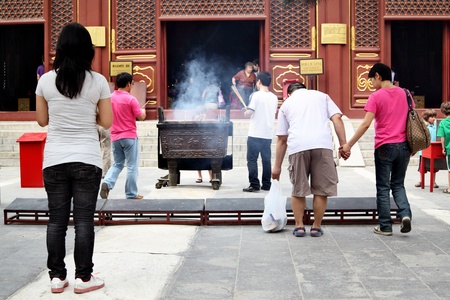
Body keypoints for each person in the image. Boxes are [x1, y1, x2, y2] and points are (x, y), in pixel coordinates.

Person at [35, 22, 113, 294]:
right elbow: (106, 121)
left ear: (60, 48)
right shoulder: (98, 81)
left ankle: (57, 278)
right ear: (88, 49)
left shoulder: (45, 80)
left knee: (56, 220)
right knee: (83, 220)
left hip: (54, 158)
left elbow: (42, 121)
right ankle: (83, 278)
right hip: (86, 159)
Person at [341, 62, 412, 236]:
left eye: (372, 80)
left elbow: (365, 124)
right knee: (398, 184)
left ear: (378, 76)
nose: (372, 84)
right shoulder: (405, 93)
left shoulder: (376, 96)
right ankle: (404, 214)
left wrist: (348, 144)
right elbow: (410, 120)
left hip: (384, 146)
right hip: (403, 146)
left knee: (383, 187)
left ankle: (386, 226)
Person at [272, 82, 347, 237]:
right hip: (322, 145)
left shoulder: (286, 105)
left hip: (298, 146)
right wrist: (343, 144)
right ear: (305, 88)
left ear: (289, 93)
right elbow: (337, 118)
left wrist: (277, 167)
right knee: (321, 190)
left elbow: (282, 139)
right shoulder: (322, 96)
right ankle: (316, 227)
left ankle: (299, 226)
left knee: (298, 189)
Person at [100, 72, 146, 200]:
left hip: (115, 136)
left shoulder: (110, 98)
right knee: (132, 166)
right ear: (128, 84)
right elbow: (140, 117)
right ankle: (131, 193)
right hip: (129, 136)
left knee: (117, 164)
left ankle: (107, 182)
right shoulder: (131, 99)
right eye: (131, 83)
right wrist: (143, 111)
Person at [242, 72, 278, 192]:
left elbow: (250, 113)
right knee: (266, 160)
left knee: (252, 160)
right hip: (267, 133)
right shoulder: (274, 97)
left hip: (255, 133)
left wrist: (245, 111)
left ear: (259, 82)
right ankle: (267, 184)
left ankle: (254, 184)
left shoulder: (255, 95)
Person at [415, 109, 438, 188]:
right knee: (422, 167)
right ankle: (421, 180)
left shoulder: (436, 125)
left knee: (434, 167)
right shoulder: (423, 126)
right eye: (431, 117)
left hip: (433, 148)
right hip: (424, 149)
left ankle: (433, 181)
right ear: (427, 117)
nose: (433, 118)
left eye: (434, 116)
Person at [437, 102, 450, 194]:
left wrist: (443, 148)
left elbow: (442, 137)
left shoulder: (443, 123)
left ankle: (449, 188)